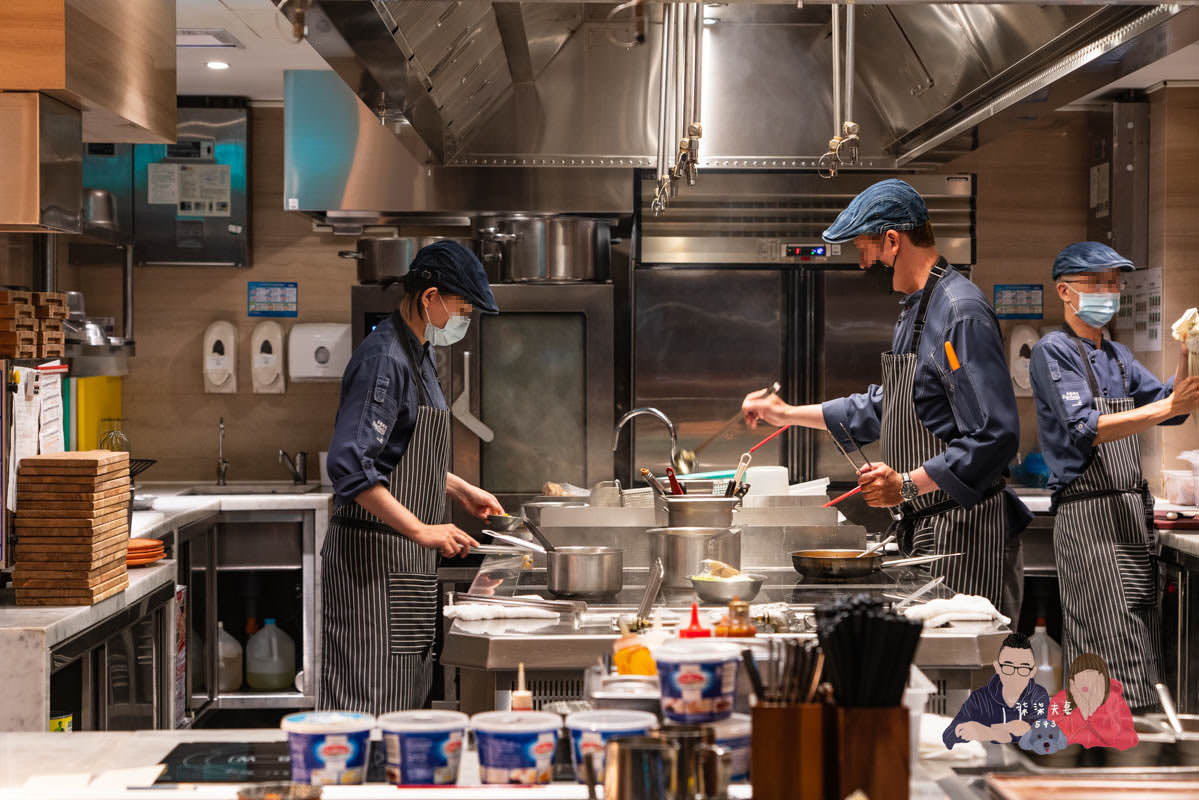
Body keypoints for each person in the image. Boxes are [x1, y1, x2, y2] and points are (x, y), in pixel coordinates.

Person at [743, 179, 1030, 617]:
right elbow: (889, 406)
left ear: (893, 241)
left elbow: (995, 436)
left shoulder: (961, 313)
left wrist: (907, 484)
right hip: (928, 525)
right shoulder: (917, 310)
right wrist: (785, 413)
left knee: (959, 655)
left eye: (865, 249)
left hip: (962, 532)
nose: (863, 264)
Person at [322, 241, 504, 714]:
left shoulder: (418, 353)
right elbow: (350, 466)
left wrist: (460, 489)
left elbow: (398, 454)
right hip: (372, 569)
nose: (463, 320)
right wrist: (423, 530)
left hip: (403, 566)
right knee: (370, 704)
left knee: (405, 703)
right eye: (462, 310)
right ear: (430, 297)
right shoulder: (384, 360)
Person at [1029, 241, 1199, 712]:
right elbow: (1087, 428)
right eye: (1096, 282)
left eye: (1114, 282)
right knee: (1104, 648)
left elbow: (1171, 409)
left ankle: (1133, 745)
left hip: (1128, 518)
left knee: (1136, 645)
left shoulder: (1119, 356)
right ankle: (1105, 748)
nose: (1108, 291)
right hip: (1089, 521)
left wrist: (1188, 349)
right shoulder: (1053, 351)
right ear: (1064, 291)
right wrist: (1169, 404)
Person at [943, 633, 1050, 748]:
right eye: (1008, 667)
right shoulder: (980, 699)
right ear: (997, 667)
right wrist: (996, 732)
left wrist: (989, 732)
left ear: (1033, 672)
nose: (1015, 675)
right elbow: (948, 736)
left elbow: (1045, 737)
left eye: (1024, 668)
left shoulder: (1038, 696)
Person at [1048, 653, 1138, 750]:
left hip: (1108, 755)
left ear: (1102, 678)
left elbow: (1127, 741)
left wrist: (1093, 712)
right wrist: (1082, 710)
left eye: (1089, 674)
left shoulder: (1114, 699)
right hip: (1072, 755)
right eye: (1079, 675)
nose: (1084, 680)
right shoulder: (1062, 700)